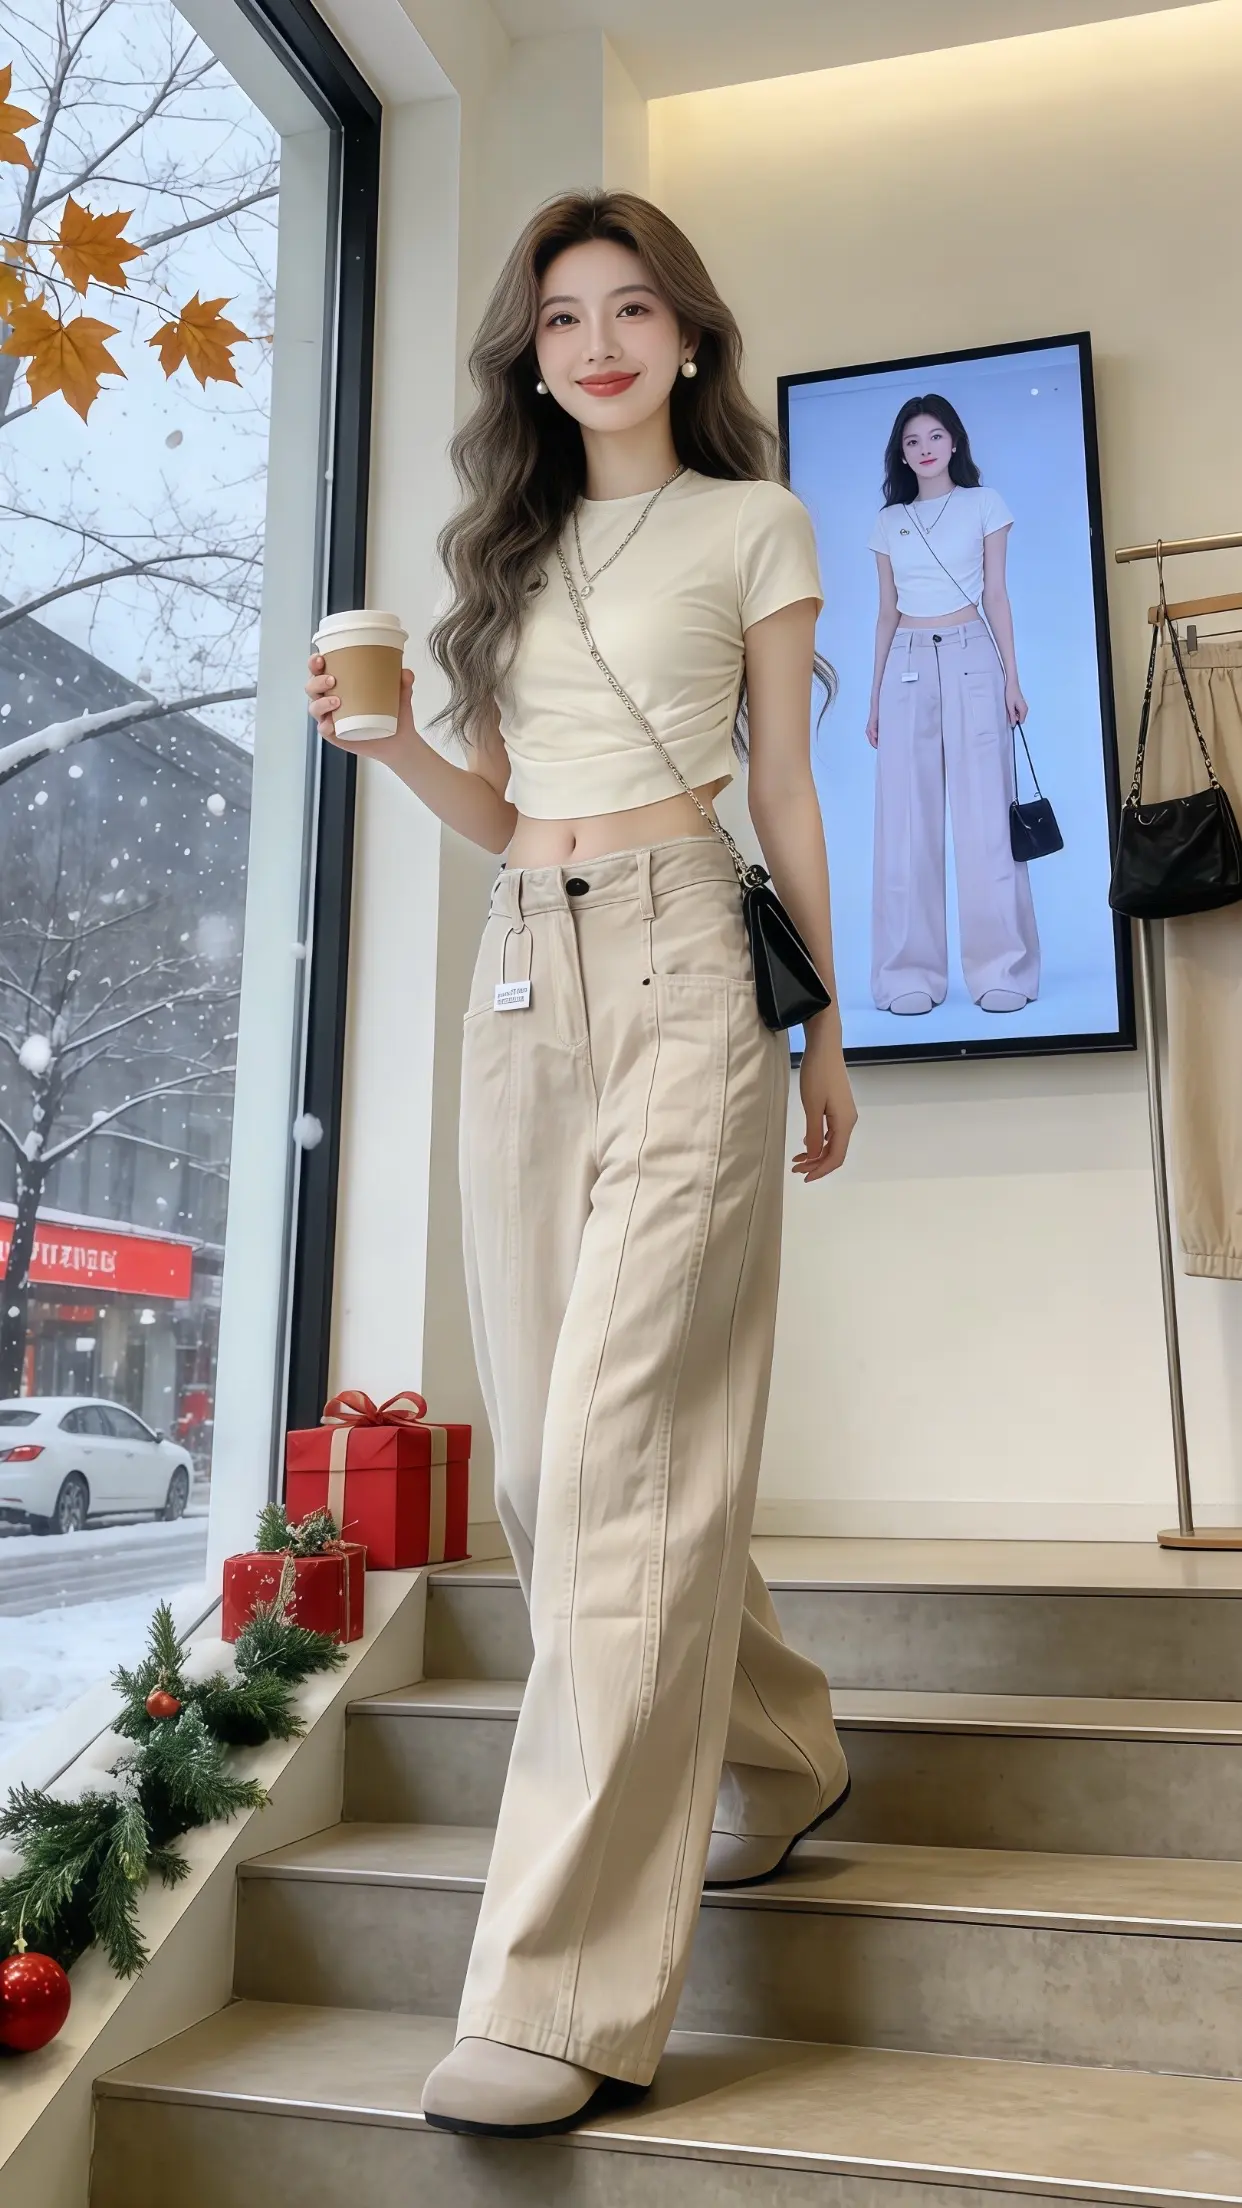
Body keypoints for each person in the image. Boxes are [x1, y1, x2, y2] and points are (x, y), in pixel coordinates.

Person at [306, 190, 856, 2141]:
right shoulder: (510, 551)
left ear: (688, 336)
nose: (599, 342)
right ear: (529, 359)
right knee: (556, 1470)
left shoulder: (754, 522)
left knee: (615, 1461)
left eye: (633, 309)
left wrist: (824, 1030)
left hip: (690, 962)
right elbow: (504, 806)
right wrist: (387, 746)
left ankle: (559, 1990)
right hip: (521, 980)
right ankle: (780, 1746)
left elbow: (780, 784)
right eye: (562, 318)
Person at [865, 394, 1040, 1016]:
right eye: (912, 441)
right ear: (901, 452)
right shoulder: (889, 522)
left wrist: (1012, 678)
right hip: (905, 663)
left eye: (935, 436)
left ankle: (1003, 969)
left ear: (955, 441)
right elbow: (886, 613)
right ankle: (907, 974)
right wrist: (874, 696)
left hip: (973, 655)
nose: (925, 449)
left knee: (987, 818)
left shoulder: (984, 504)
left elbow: (997, 595)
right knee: (905, 824)